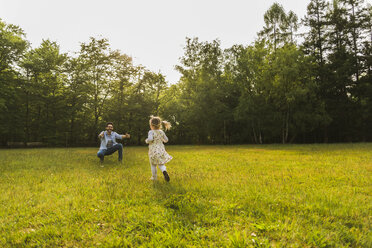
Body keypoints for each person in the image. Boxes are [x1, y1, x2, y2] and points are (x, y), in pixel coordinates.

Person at [145, 116, 172, 181]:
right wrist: (162, 139)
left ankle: (154, 177)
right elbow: (166, 140)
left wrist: (147, 140)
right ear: (159, 125)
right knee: (161, 164)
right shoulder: (161, 132)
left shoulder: (151, 132)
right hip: (161, 150)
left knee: (153, 165)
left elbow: (150, 139)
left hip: (153, 150)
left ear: (151, 125)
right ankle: (164, 171)